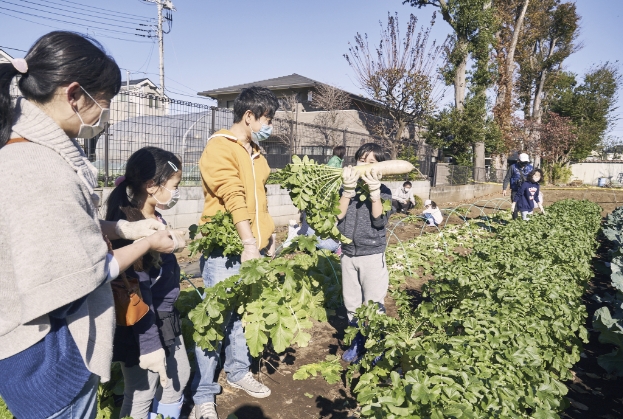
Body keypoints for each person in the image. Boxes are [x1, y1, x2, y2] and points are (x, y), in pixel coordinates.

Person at [0, 31, 175, 419]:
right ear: (75, 95)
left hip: (37, 356)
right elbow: (85, 272)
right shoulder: (38, 167)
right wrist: (147, 244)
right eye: (105, 102)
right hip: (49, 363)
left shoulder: (27, 151)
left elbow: (62, 231)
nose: (104, 115)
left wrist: (123, 231)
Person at [191, 86, 279, 419]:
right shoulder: (219, 147)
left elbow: (260, 200)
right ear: (249, 116)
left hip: (252, 248)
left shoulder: (256, 152)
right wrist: (247, 243)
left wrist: (267, 237)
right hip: (226, 251)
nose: (270, 125)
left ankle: (239, 372)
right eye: (267, 119)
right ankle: (203, 394)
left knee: (243, 316)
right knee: (215, 322)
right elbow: (233, 196)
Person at [106, 147, 189, 419]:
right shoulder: (130, 230)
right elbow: (136, 292)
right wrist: (150, 344)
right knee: (142, 390)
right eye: (174, 185)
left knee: (178, 377)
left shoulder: (152, 219)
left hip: (163, 316)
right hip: (141, 323)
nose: (176, 192)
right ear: (152, 186)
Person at [337, 143, 392, 363]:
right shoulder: (344, 187)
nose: (365, 165)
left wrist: (374, 193)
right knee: (351, 304)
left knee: (373, 304)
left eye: (371, 162)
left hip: (371, 254)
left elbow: (379, 221)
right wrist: (348, 192)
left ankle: (376, 345)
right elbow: (337, 216)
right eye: (362, 160)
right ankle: (358, 342)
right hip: (348, 253)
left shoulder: (385, 191)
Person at [502, 153, 533, 219]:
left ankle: (526, 221)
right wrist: (504, 189)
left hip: (526, 191)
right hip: (515, 190)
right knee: (515, 206)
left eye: (525, 162)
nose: (524, 164)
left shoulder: (530, 168)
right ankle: (515, 221)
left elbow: (533, 179)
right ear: (519, 160)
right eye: (522, 162)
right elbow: (507, 178)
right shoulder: (513, 167)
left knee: (526, 205)